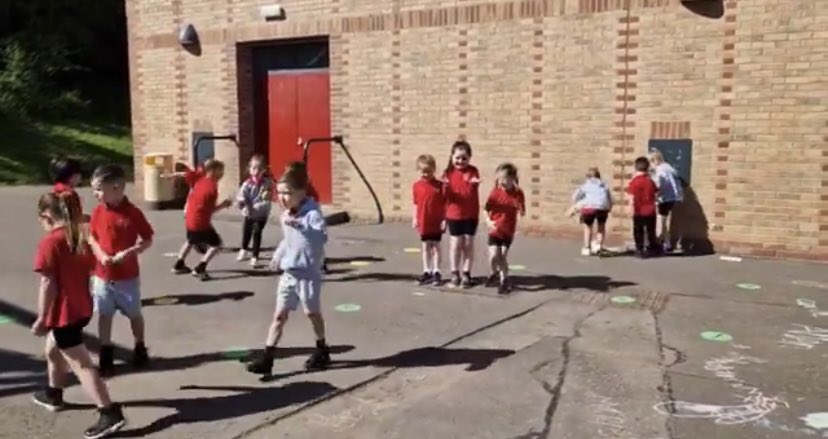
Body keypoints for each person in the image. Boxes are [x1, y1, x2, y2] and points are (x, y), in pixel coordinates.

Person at [31, 191, 127, 439]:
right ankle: (53, 392)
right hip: (81, 308)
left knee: (82, 365)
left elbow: (48, 283)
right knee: (53, 350)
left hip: (64, 314)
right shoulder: (79, 238)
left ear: (46, 217)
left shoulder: (51, 243)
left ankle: (109, 412)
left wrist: (42, 317)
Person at [246, 164, 330, 375]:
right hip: (289, 273)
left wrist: (303, 226)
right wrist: (277, 255)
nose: (283, 198)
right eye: (280, 193)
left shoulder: (312, 214)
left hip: (308, 274)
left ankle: (322, 348)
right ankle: (267, 358)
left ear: (301, 192)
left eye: (288, 193)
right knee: (279, 316)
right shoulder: (286, 215)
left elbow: (321, 237)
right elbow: (288, 240)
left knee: (312, 313)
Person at [87, 165, 154, 375]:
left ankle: (140, 346)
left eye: (99, 189)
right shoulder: (98, 211)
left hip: (127, 276)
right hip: (103, 275)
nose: (95, 194)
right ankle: (106, 351)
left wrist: (130, 252)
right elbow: (92, 238)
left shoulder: (133, 213)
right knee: (105, 314)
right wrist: (101, 256)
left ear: (116, 187)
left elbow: (147, 239)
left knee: (134, 314)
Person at [171, 160, 233, 280]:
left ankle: (178, 265)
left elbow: (187, 175)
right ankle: (200, 268)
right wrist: (224, 205)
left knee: (190, 241)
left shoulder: (200, 180)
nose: (223, 174)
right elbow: (210, 210)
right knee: (217, 245)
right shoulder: (212, 188)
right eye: (221, 170)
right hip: (200, 223)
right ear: (213, 170)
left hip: (190, 219)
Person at [442, 140, 481, 288]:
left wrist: (474, 183)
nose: (460, 161)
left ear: (469, 158)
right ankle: (454, 272)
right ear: (452, 157)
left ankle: (466, 273)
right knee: (455, 244)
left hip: (470, 214)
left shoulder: (473, 171)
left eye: (464, 158)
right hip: (454, 214)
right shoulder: (448, 173)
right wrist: (444, 186)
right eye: (457, 157)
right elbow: (445, 197)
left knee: (468, 243)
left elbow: (471, 190)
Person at [484, 163, 525, 294]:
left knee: (502, 255)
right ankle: (493, 272)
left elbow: (521, 209)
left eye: (505, 179)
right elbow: (486, 209)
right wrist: (488, 221)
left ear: (513, 178)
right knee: (493, 256)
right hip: (495, 229)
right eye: (500, 179)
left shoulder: (518, 193)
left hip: (508, 230)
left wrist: (521, 213)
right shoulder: (495, 193)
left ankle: (504, 280)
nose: (502, 182)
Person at [283, 162, 328, 273]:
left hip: (308, 215)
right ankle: (295, 258)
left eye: (288, 173)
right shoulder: (290, 187)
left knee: (313, 240)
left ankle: (321, 262)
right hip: (298, 215)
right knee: (295, 238)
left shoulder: (305, 188)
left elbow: (314, 201)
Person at [411, 154, 446, 286]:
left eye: (429, 171)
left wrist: (444, 219)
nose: (426, 174)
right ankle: (427, 271)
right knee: (425, 246)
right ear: (418, 170)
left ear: (434, 169)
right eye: (423, 171)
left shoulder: (440, 186)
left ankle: (437, 271)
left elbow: (445, 204)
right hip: (423, 220)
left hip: (436, 221)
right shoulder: (416, 186)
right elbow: (415, 203)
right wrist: (415, 218)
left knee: (436, 246)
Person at [236, 154, 273, 267]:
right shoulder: (246, 184)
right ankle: (244, 249)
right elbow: (241, 196)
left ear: (264, 170)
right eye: (253, 168)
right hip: (248, 214)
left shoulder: (267, 184)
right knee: (246, 232)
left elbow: (266, 201)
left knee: (256, 232)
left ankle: (255, 256)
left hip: (261, 215)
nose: (256, 171)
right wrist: (242, 204)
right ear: (250, 169)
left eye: (259, 169)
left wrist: (255, 208)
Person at [571, 167, 613, 255]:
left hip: (589, 208)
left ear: (588, 177)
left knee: (588, 227)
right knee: (601, 226)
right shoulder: (604, 185)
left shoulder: (585, 185)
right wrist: (609, 208)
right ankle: (598, 245)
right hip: (602, 208)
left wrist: (578, 204)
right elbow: (609, 198)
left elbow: (575, 197)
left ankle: (587, 248)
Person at [648, 150, 684, 252]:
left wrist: (655, 196)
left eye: (650, 162)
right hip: (673, 197)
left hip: (664, 198)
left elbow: (659, 185)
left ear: (654, 160)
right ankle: (666, 241)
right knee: (665, 220)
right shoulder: (669, 168)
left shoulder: (660, 170)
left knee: (662, 221)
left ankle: (664, 242)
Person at [626, 157, 659, 258]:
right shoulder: (650, 181)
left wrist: (630, 208)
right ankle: (651, 248)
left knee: (638, 230)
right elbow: (656, 193)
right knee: (650, 230)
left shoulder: (634, 182)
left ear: (636, 168)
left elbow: (631, 197)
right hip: (650, 210)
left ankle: (639, 249)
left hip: (638, 210)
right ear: (647, 168)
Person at [50, 157, 88, 221]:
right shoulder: (70, 194)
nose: (81, 176)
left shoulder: (55, 190)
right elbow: (75, 217)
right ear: (72, 176)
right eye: (79, 173)